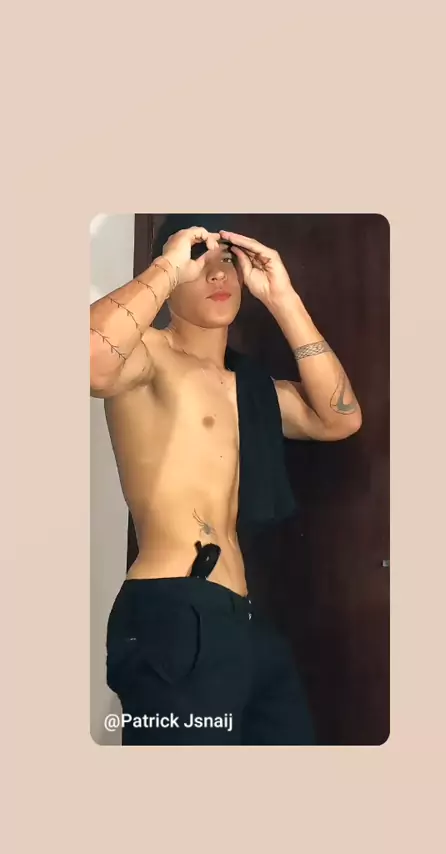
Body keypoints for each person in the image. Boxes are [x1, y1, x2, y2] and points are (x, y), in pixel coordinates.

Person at [90, 220, 362, 745]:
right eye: (200, 260)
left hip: (243, 619)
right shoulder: (148, 355)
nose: (218, 273)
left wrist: (283, 299)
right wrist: (168, 266)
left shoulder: (251, 388)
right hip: (173, 609)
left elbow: (339, 418)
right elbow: (89, 361)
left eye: (229, 261)